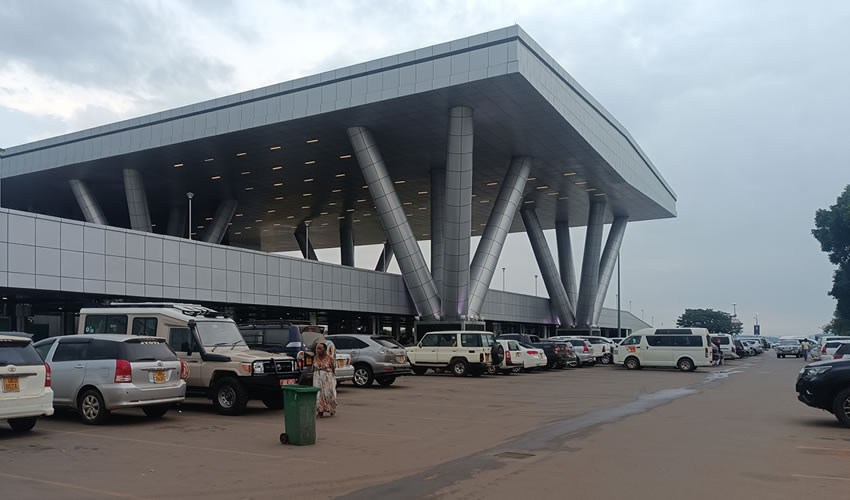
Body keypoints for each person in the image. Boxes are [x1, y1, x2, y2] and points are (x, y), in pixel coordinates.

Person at [312, 339, 337, 418]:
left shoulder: (330, 358)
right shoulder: (315, 358)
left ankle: (331, 409)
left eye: (320, 348)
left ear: (325, 349)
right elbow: (313, 368)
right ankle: (320, 411)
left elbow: (333, 368)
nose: (318, 350)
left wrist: (331, 379)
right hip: (317, 377)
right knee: (318, 395)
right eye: (317, 348)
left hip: (327, 378)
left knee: (328, 394)